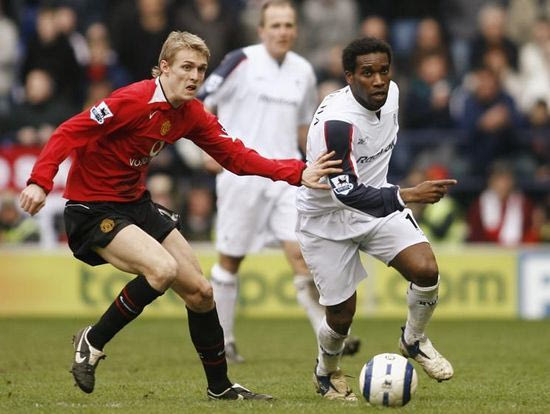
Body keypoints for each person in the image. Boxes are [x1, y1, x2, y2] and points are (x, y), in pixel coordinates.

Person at [19, 30, 341, 401]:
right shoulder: (130, 100)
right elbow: (68, 132)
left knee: (202, 293)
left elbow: (235, 157)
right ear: (165, 68)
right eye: (187, 67)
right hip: (92, 208)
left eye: (201, 69)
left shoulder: (191, 114)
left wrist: (297, 172)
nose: (195, 76)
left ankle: (220, 388)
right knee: (163, 269)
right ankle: (92, 340)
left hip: (135, 205)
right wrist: (40, 182)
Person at [295, 37, 456, 401]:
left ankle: (413, 340)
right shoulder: (337, 123)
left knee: (426, 269)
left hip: (376, 206)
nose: (379, 80)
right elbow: (346, 192)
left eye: (384, 71)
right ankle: (326, 372)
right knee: (341, 315)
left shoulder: (392, 94)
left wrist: (395, 196)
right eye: (368, 73)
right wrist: (408, 195)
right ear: (349, 77)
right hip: (327, 219)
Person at [198, 0, 358, 363]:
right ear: (261, 30)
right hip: (241, 175)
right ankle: (224, 341)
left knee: (302, 255)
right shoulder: (240, 61)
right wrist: (206, 150)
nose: (282, 31)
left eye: (288, 25)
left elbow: (304, 128)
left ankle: (330, 336)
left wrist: (317, 165)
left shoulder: (303, 70)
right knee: (230, 260)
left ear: (296, 29)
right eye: (275, 25)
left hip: (287, 177)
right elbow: (202, 100)